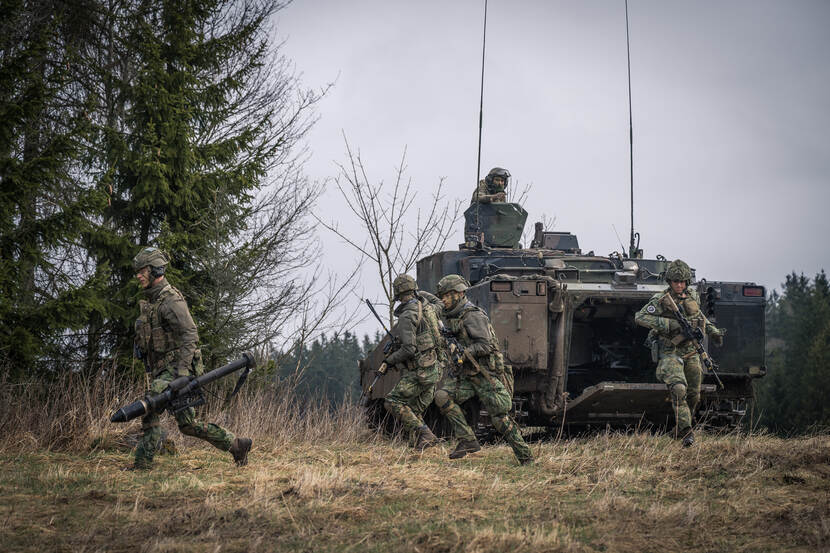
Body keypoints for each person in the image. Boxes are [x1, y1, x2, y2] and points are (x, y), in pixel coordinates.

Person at [129, 246, 252, 469]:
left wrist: (183, 374)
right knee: (187, 425)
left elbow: (190, 335)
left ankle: (142, 464)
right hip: (168, 369)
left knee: (151, 404)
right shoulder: (153, 302)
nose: (138, 275)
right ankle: (237, 445)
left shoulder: (171, 301)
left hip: (178, 369)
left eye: (142, 270)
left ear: (156, 270)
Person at [432, 274, 533, 465]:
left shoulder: (473, 315)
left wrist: (462, 352)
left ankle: (525, 457)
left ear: (459, 294)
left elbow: (485, 345)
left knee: (499, 418)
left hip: (485, 373)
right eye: (442, 296)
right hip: (467, 374)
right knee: (442, 396)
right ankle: (468, 440)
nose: (443, 300)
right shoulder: (455, 315)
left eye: (446, 295)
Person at [634, 259, 725, 447]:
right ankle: (686, 432)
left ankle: (680, 427)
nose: (679, 285)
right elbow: (640, 317)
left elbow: (699, 316)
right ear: (670, 282)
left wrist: (712, 331)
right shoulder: (661, 299)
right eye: (675, 281)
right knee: (678, 388)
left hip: (691, 352)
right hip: (670, 351)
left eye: (682, 281)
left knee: (694, 395)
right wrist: (668, 324)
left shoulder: (692, 296)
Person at [382, 274, 445, 450]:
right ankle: (419, 447)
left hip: (421, 371)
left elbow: (409, 349)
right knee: (414, 410)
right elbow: (440, 303)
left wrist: (389, 361)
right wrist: (421, 293)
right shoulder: (429, 308)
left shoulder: (407, 316)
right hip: (435, 368)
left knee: (393, 401)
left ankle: (425, 434)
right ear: (414, 289)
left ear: (397, 293)